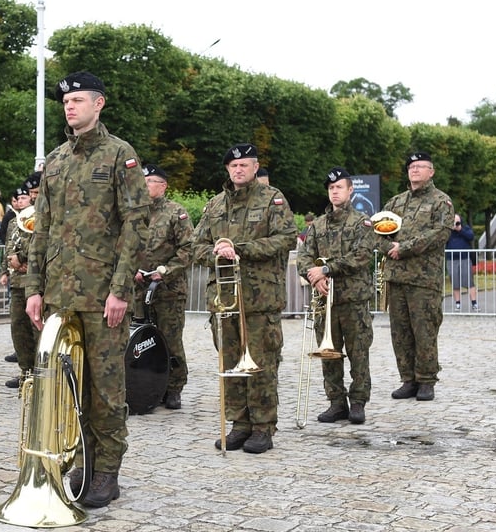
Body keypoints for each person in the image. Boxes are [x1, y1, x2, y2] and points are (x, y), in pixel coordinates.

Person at [25, 71, 151, 508]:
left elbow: (136, 224)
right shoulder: (56, 160)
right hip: (60, 294)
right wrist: (34, 288)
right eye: (65, 101)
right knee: (66, 386)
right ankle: (81, 459)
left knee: (106, 387)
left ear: (99, 104)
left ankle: (107, 471)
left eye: (78, 100)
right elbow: (42, 229)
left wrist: (120, 290)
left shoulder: (120, 154)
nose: (70, 107)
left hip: (102, 295)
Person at [192, 143, 296, 454]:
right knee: (231, 363)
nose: (239, 170)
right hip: (224, 300)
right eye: (233, 166)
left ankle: (263, 426)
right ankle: (239, 423)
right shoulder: (214, 205)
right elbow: (194, 247)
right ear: (227, 169)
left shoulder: (272, 199)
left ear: (254, 168)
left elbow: (286, 238)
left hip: (260, 298)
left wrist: (240, 249)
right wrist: (214, 251)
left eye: (245, 165)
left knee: (261, 363)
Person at [296, 167, 374, 424]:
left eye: (339, 187)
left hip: (353, 299)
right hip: (326, 301)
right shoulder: (318, 225)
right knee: (329, 354)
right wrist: (314, 276)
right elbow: (305, 257)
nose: (334, 192)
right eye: (331, 188)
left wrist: (327, 269)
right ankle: (336, 402)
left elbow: (361, 256)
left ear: (350, 190)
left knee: (358, 352)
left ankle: (359, 402)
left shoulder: (362, 222)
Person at [377, 152, 454, 402]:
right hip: (397, 278)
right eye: (411, 166)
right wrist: (389, 248)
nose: (415, 170)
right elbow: (377, 231)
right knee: (400, 333)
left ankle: (426, 380)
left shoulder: (441, 201)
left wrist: (405, 247)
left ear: (431, 172)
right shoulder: (396, 202)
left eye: (421, 166)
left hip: (424, 280)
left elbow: (440, 233)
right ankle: (408, 379)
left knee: (424, 331)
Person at [133, 163, 194, 410]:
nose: (146, 186)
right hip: (139, 288)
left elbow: (188, 248)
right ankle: (149, 385)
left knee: (170, 339)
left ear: (163, 186)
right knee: (142, 340)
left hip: (168, 290)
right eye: (143, 181)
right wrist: (133, 269)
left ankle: (174, 387)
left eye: (151, 182)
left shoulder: (175, 213)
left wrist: (165, 271)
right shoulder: (135, 213)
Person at [0, 184, 37, 388]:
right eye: (21, 197)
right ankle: (26, 371)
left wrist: (25, 261)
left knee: (36, 329)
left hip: (34, 281)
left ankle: (41, 372)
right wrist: (6, 270)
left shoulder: (40, 218)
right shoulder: (14, 222)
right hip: (16, 282)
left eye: (28, 196)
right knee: (18, 328)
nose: (24, 200)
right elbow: (8, 247)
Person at [445, 214, 479, 312]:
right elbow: (443, 240)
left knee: (469, 281)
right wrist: (450, 229)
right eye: (454, 222)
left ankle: (474, 303)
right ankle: (458, 304)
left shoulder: (465, 228)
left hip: (464, 258)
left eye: (457, 222)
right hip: (451, 259)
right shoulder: (448, 230)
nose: (456, 224)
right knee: (455, 282)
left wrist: (460, 229)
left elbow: (471, 236)